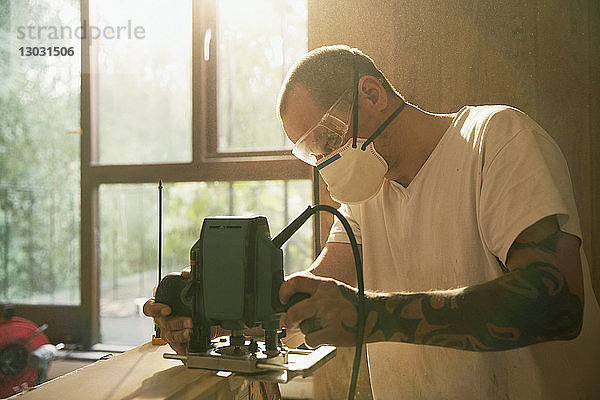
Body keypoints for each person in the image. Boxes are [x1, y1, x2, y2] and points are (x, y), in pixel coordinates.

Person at [145, 45, 600, 399]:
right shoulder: (365, 198)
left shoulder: (495, 140)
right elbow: (316, 290)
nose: (324, 160)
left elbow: (555, 303)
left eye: (327, 138)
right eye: (312, 152)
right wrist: (219, 306)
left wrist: (372, 317)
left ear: (372, 94)